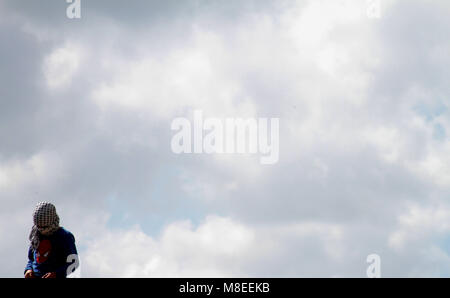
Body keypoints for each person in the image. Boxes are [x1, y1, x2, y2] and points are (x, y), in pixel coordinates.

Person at [24, 202, 79, 278]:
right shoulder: (36, 235)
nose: (41, 230)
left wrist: (56, 274)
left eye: (44, 227)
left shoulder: (65, 237)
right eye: (39, 227)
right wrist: (28, 269)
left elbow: (74, 263)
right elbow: (31, 259)